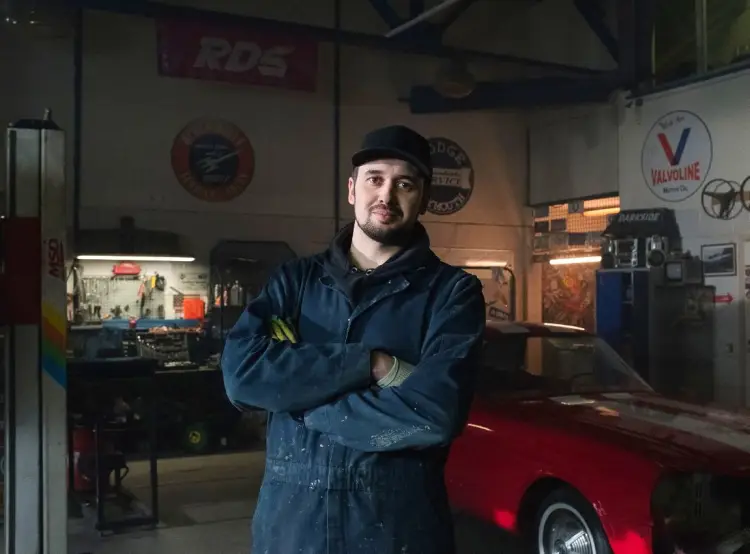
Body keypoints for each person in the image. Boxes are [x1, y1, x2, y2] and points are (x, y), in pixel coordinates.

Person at [221, 125, 487, 554]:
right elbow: (241, 376)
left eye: (405, 183)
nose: (387, 195)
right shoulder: (296, 281)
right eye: (375, 178)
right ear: (352, 189)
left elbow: (433, 414)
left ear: (422, 198)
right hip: (291, 531)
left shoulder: (451, 294)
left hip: (396, 532)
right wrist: (370, 365)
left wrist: (298, 401)